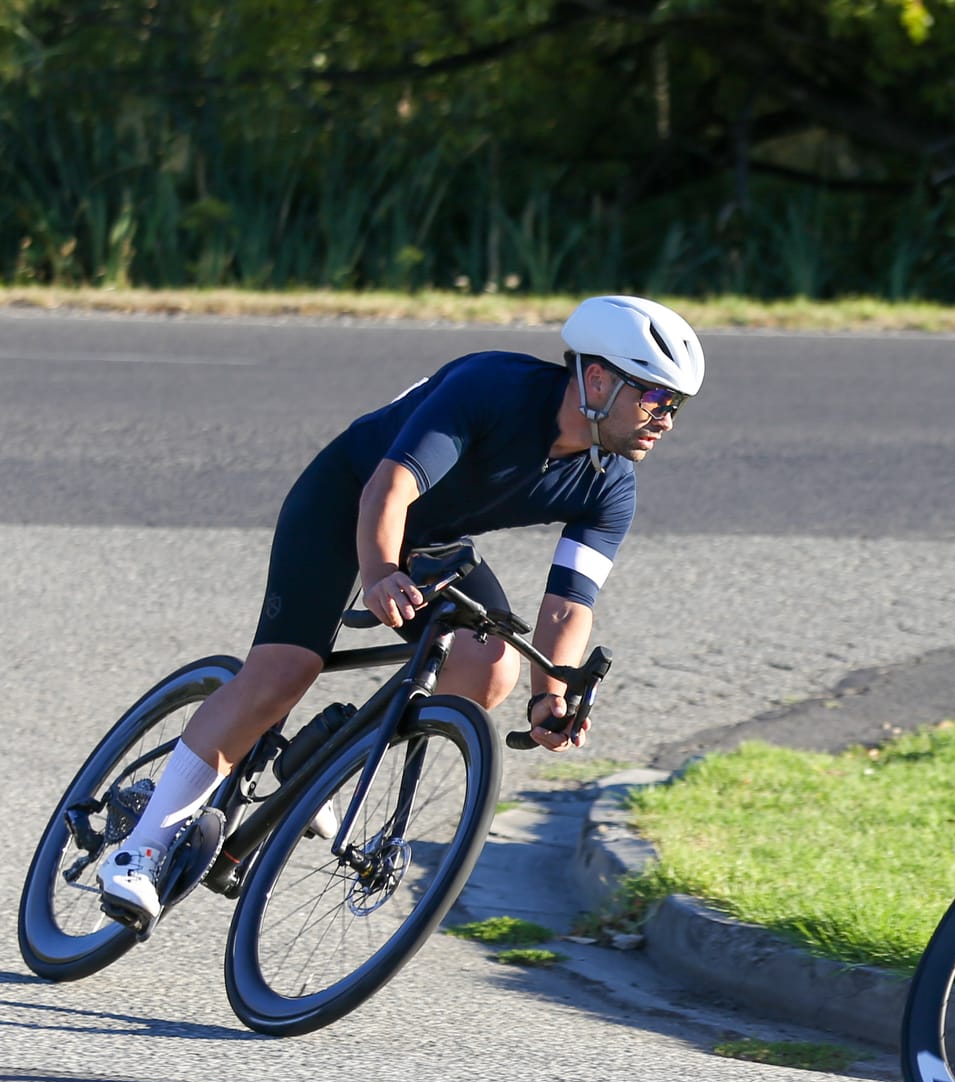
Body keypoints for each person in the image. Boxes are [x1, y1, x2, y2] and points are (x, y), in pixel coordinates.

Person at [96, 295, 705, 933]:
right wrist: (380, 572)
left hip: (433, 542)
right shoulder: (493, 387)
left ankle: (325, 769)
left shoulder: (612, 485)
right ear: (599, 379)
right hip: (345, 502)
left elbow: (568, 606)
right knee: (284, 673)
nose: (665, 419)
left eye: (676, 406)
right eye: (656, 397)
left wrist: (550, 697)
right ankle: (141, 847)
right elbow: (389, 489)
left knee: (489, 665)